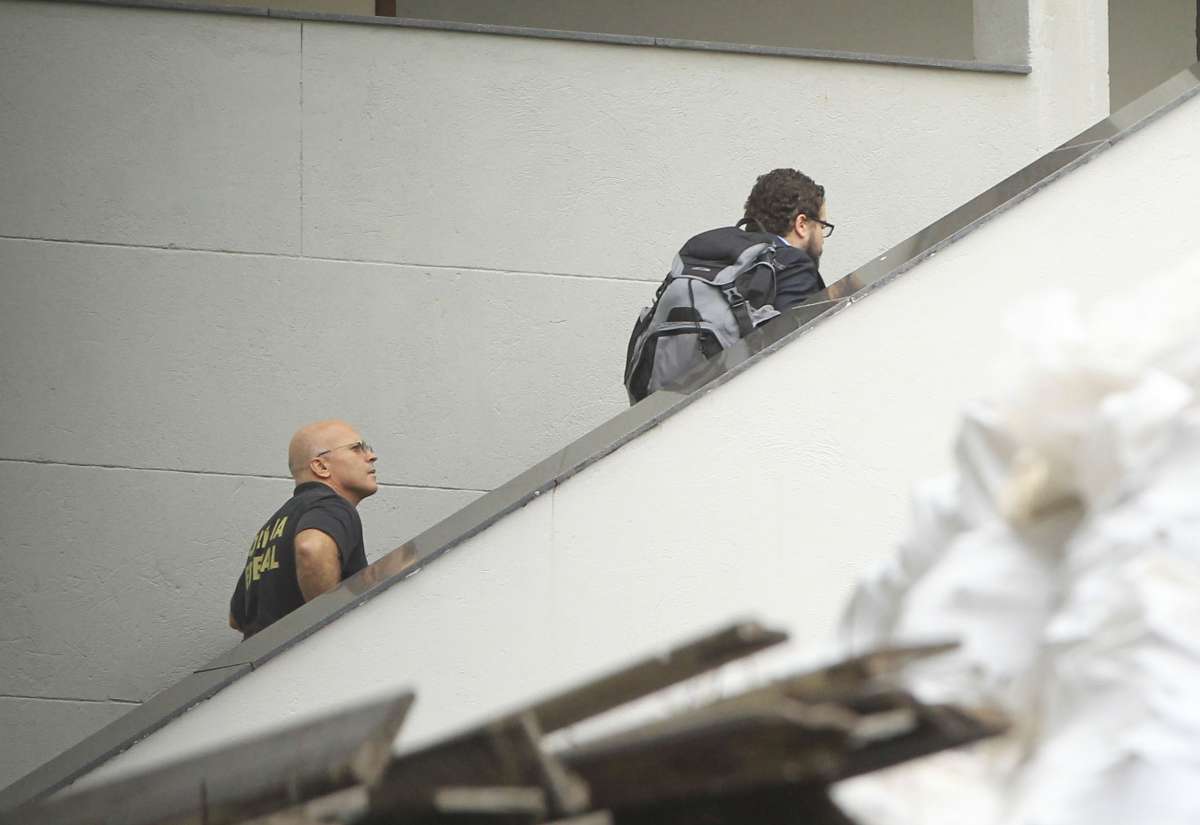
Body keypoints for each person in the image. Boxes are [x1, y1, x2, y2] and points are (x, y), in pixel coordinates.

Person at [228, 420, 377, 638]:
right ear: (321, 467)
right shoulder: (331, 505)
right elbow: (312, 549)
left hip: (263, 667)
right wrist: (329, 634)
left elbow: (236, 618)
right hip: (304, 667)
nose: (371, 456)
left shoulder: (273, 527)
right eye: (356, 448)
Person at [738, 167, 832, 310]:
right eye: (822, 227)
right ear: (802, 225)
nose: (823, 238)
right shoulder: (795, 268)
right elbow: (800, 329)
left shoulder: (729, 257)